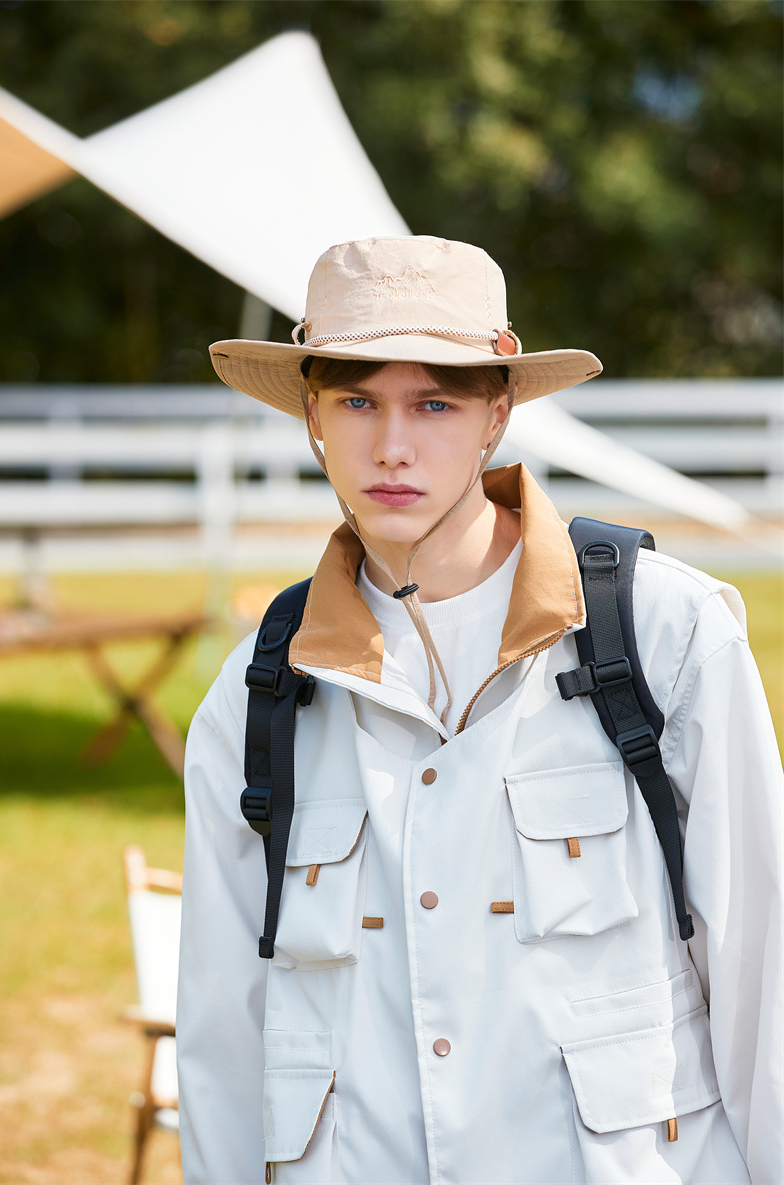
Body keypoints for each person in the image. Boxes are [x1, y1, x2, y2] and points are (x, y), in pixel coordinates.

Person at [177, 235, 782, 1185]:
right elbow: (222, 1032)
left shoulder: (667, 632)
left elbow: (762, 973)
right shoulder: (255, 693)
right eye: (357, 401)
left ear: (497, 412)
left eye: (435, 403)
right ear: (311, 415)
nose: (393, 446)